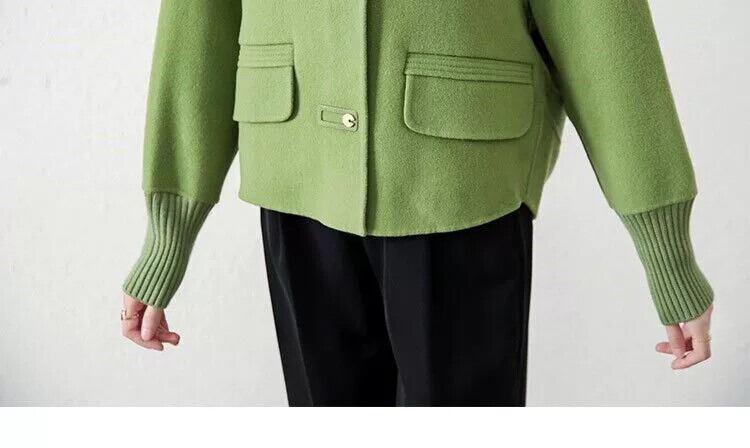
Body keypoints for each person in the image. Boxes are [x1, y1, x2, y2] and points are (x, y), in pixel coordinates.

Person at [120, 0, 714, 406]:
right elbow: (197, 26)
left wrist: (667, 254)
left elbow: (601, 29)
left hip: (459, 182)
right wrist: (167, 238)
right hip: (296, 173)